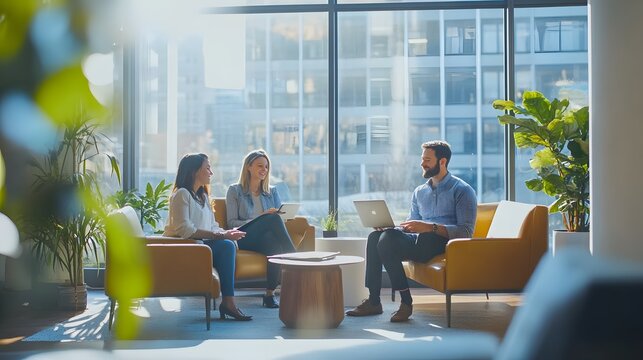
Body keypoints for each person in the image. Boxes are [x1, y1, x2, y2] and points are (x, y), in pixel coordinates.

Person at [346, 140, 477, 322]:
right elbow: (411, 223)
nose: (422, 163)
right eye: (422, 159)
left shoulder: (462, 190)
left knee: (394, 240)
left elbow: (466, 231)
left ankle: (406, 302)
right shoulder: (419, 192)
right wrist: (393, 227)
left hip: (440, 242)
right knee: (376, 237)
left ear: (442, 162)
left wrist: (430, 228)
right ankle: (374, 300)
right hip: (418, 239)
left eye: (427, 160)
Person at [164, 153, 252, 321]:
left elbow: (212, 226)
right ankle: (228, 303)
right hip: (185, 248)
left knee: (229, 244)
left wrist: (226, 234)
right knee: (225, 245)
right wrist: (220, 235)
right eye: (207, 168)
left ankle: (228, 301)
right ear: (194, 172)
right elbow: (185, 230)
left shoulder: (203, 196)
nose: (211, 172)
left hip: (201, 246)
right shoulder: (182, 194)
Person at [226, 149, 297, 308]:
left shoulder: (272, 191)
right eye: (259, 166)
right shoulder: (234, 191)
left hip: (264, 238)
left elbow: (279, 219)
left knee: (274, 244)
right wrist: (261, 218)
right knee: (270, 218)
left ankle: (270, 294)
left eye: (266, 167)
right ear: (248, 167)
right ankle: (295, 257)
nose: (263, 170)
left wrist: (277, 217)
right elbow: (231, 223)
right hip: (243, 236)